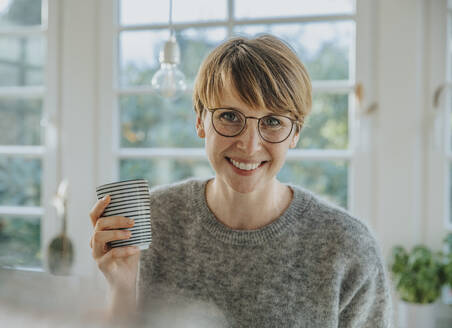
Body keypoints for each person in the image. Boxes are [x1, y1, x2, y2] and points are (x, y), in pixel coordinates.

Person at [89, 34, 393, 327]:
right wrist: (122, 290)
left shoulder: (347, 247)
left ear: (296, 133)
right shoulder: (153, 221)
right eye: (230, 116)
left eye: (273, 122)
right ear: (200, 121)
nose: (249, 145)